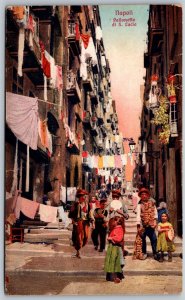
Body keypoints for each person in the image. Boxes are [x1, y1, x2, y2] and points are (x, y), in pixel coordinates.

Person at [68, 189, 93, 258]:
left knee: (86, 237)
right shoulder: (75, 205)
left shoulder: (88, 205)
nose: (84, 198)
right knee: (79, 237)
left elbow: (90, 214)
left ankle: (78, 250)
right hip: (78, 222)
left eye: (85, 196)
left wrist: (92, 222)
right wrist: (73, 221)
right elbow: (70, 214)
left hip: (86, 223)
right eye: (83, 196)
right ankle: (78, 252)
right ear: (79, 197)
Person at [136, 187, 158, 260]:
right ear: (140, 196)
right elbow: (138, 215)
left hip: (151, 225)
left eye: (145, 194)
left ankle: (155, 253)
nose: (144, 195)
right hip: (143, 225)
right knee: (143, 240)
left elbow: (155, 213)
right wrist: (138, 225)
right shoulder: (139, 205)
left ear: (148, 195)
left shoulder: (152, 203)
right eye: (142, 194)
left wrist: (155, 221)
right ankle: (144, 253)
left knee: (154, 239)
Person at [104, 216, 125, 283]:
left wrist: (111, 238)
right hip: (112, 248)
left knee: (116, 262)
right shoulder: (115, 228)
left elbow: (119, 238)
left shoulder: (119, 229)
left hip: (116, 248)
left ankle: (117, 277)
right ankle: (110, 277)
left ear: (116, 222)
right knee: (111, 261)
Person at [109, 189, 129, 256]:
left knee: (120, 238)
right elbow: (104, 215)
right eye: (113, 197)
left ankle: (121, 254)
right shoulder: (110, 204)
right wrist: (109, 211)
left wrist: (122, 213)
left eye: (116, 197)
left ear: (119, 197)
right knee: (112, 238)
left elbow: (127, 216)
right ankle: (112, 254)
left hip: (120, 223)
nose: (115, 198)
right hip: (112, 224)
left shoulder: (122, 204)